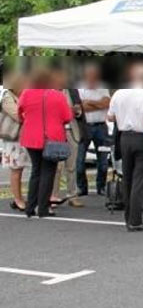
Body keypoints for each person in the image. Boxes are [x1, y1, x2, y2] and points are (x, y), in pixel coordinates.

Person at [107, 60, 143, 232]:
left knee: (127, 177)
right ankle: (136, 219)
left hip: (124, 137)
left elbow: (110, 117)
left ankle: (129, 217)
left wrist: (124, 115)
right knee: (140, 180)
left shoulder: (119, 93)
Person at [17, 67, 73, 218]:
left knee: (36, 171)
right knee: (48, 172)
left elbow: (19, 113)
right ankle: (42, 208)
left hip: (30, 136)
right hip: (52, 138)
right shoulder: (58, 95)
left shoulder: (26, 93)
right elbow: (67, 117)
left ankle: (30, 207)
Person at [77, 64, 111, 196]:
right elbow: (81, 107)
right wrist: (98, 104)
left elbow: (107, 103)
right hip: (84, 126)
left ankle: (101, 186)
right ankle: (82, 187)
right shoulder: (80, 88)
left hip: (101, 126)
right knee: (79, 161)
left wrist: (90, 103)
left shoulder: (103, 87)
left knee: (103, 160)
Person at [1, 72, 30, 211]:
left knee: (22, 168)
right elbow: (17, 115)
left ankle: (20, 197)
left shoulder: (24, 94)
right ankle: (18, 199)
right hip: (13, 138)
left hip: (25, 136)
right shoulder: (6, 96)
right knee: (16, 169)